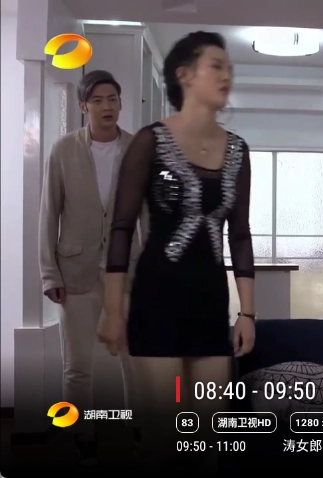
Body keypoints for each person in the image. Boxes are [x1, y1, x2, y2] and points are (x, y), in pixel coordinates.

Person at [97, 31, 256, 472]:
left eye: (229, 68)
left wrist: (247, 313)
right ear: (184, 75)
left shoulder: (238, 151)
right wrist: (114, 310)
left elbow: (240, 235)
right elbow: (121, 229)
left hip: (210, 305)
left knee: (207, 439)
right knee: (164, 439)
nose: (226, 76)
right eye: (216, 66)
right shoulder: (149, 141)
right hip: (156, 302)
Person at [38, 70, 143, 467]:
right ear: (83, 106)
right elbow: (48, 214)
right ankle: (84, 437)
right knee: (78, 366)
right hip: (75, 272)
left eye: (112, 99)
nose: (106, 107)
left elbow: (148, 216)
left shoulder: (137, 149)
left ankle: (140, 432)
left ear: (120, 104)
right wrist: (49, 273)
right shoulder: (63, 150)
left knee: (137, 360)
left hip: (126, 272)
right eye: (97, 100)